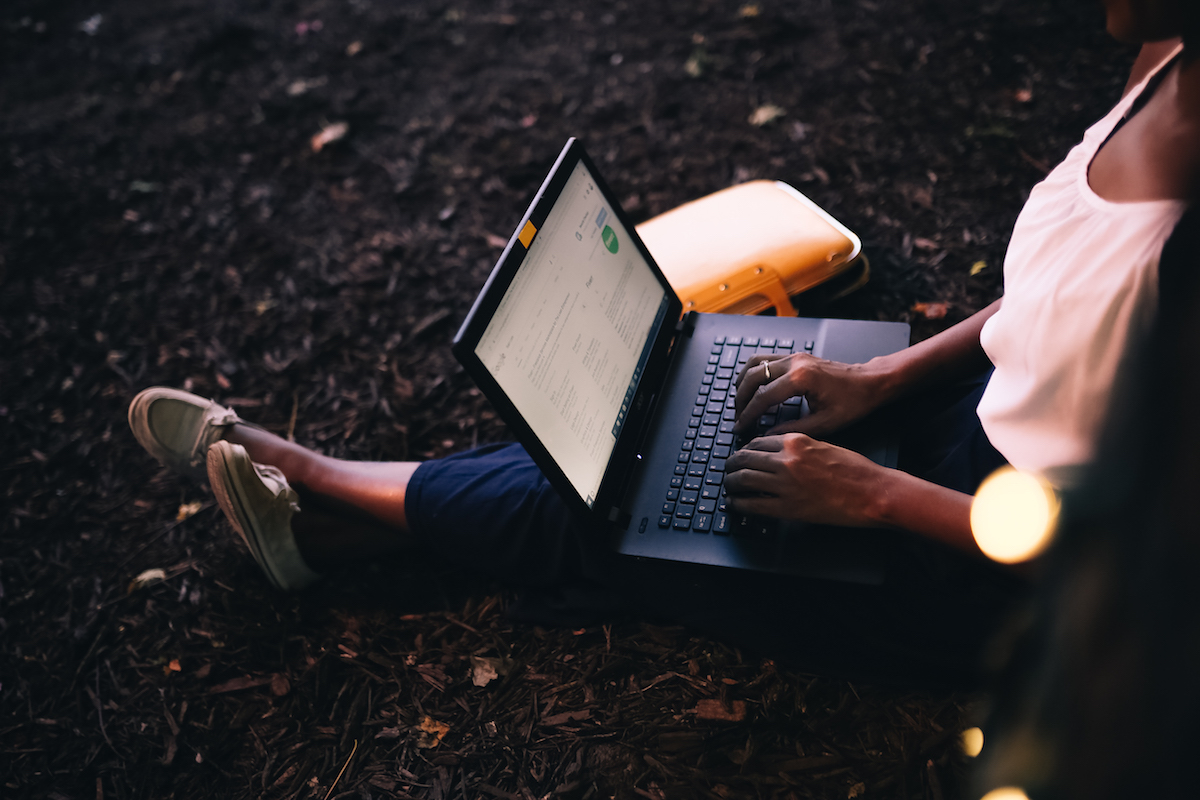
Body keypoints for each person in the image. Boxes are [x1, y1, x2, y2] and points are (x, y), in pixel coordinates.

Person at [128, 1, 1199, 682]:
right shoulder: (1163, 55)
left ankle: (318, 487)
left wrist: (874, 496)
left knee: (624, 510)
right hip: (969, 435)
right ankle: (327, 529)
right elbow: (1059, 303)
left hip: (1005, 578)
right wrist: (878, 379)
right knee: (673, 435)